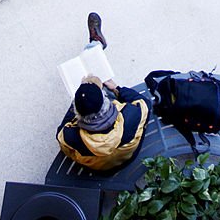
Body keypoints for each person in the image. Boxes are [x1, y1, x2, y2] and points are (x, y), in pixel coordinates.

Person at [56, 13, 150, 171]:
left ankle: (94, 45)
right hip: (128, 155)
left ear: (78, 113)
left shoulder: (71, 138)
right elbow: (145, 103)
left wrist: (77, 102)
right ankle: (95, 46)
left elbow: (61, 132)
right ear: (105, 99)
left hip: (100, 168)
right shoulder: (131, 115)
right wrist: (115, 88)